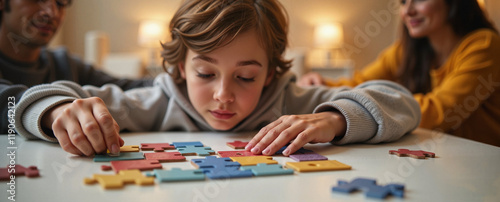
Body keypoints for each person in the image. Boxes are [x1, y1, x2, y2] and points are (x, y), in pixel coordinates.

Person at [14, 0, 420, 157]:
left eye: (245, 76)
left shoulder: (289, 102)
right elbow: (54, 97)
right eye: (206, 73)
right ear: (178, 69)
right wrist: (56, 111)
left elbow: (400, 101)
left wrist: (334, 119)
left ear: (270, 74)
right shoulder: (153, 101)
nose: (223, 95)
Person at [298, 0, 500, 147]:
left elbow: (439, 113)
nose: (408, 11)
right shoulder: (406, 51)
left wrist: (369, 109)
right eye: (403, 2)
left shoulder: (484, 44)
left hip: (480, 161)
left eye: (419, 0)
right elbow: (359, 82)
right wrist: (321, 85)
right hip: (438, 154)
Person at [0, 0, 153, 133]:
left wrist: (173, 75)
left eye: (61, 3)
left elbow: (128, 86)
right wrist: (51, 110)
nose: (51, 12)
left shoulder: (63, 63)